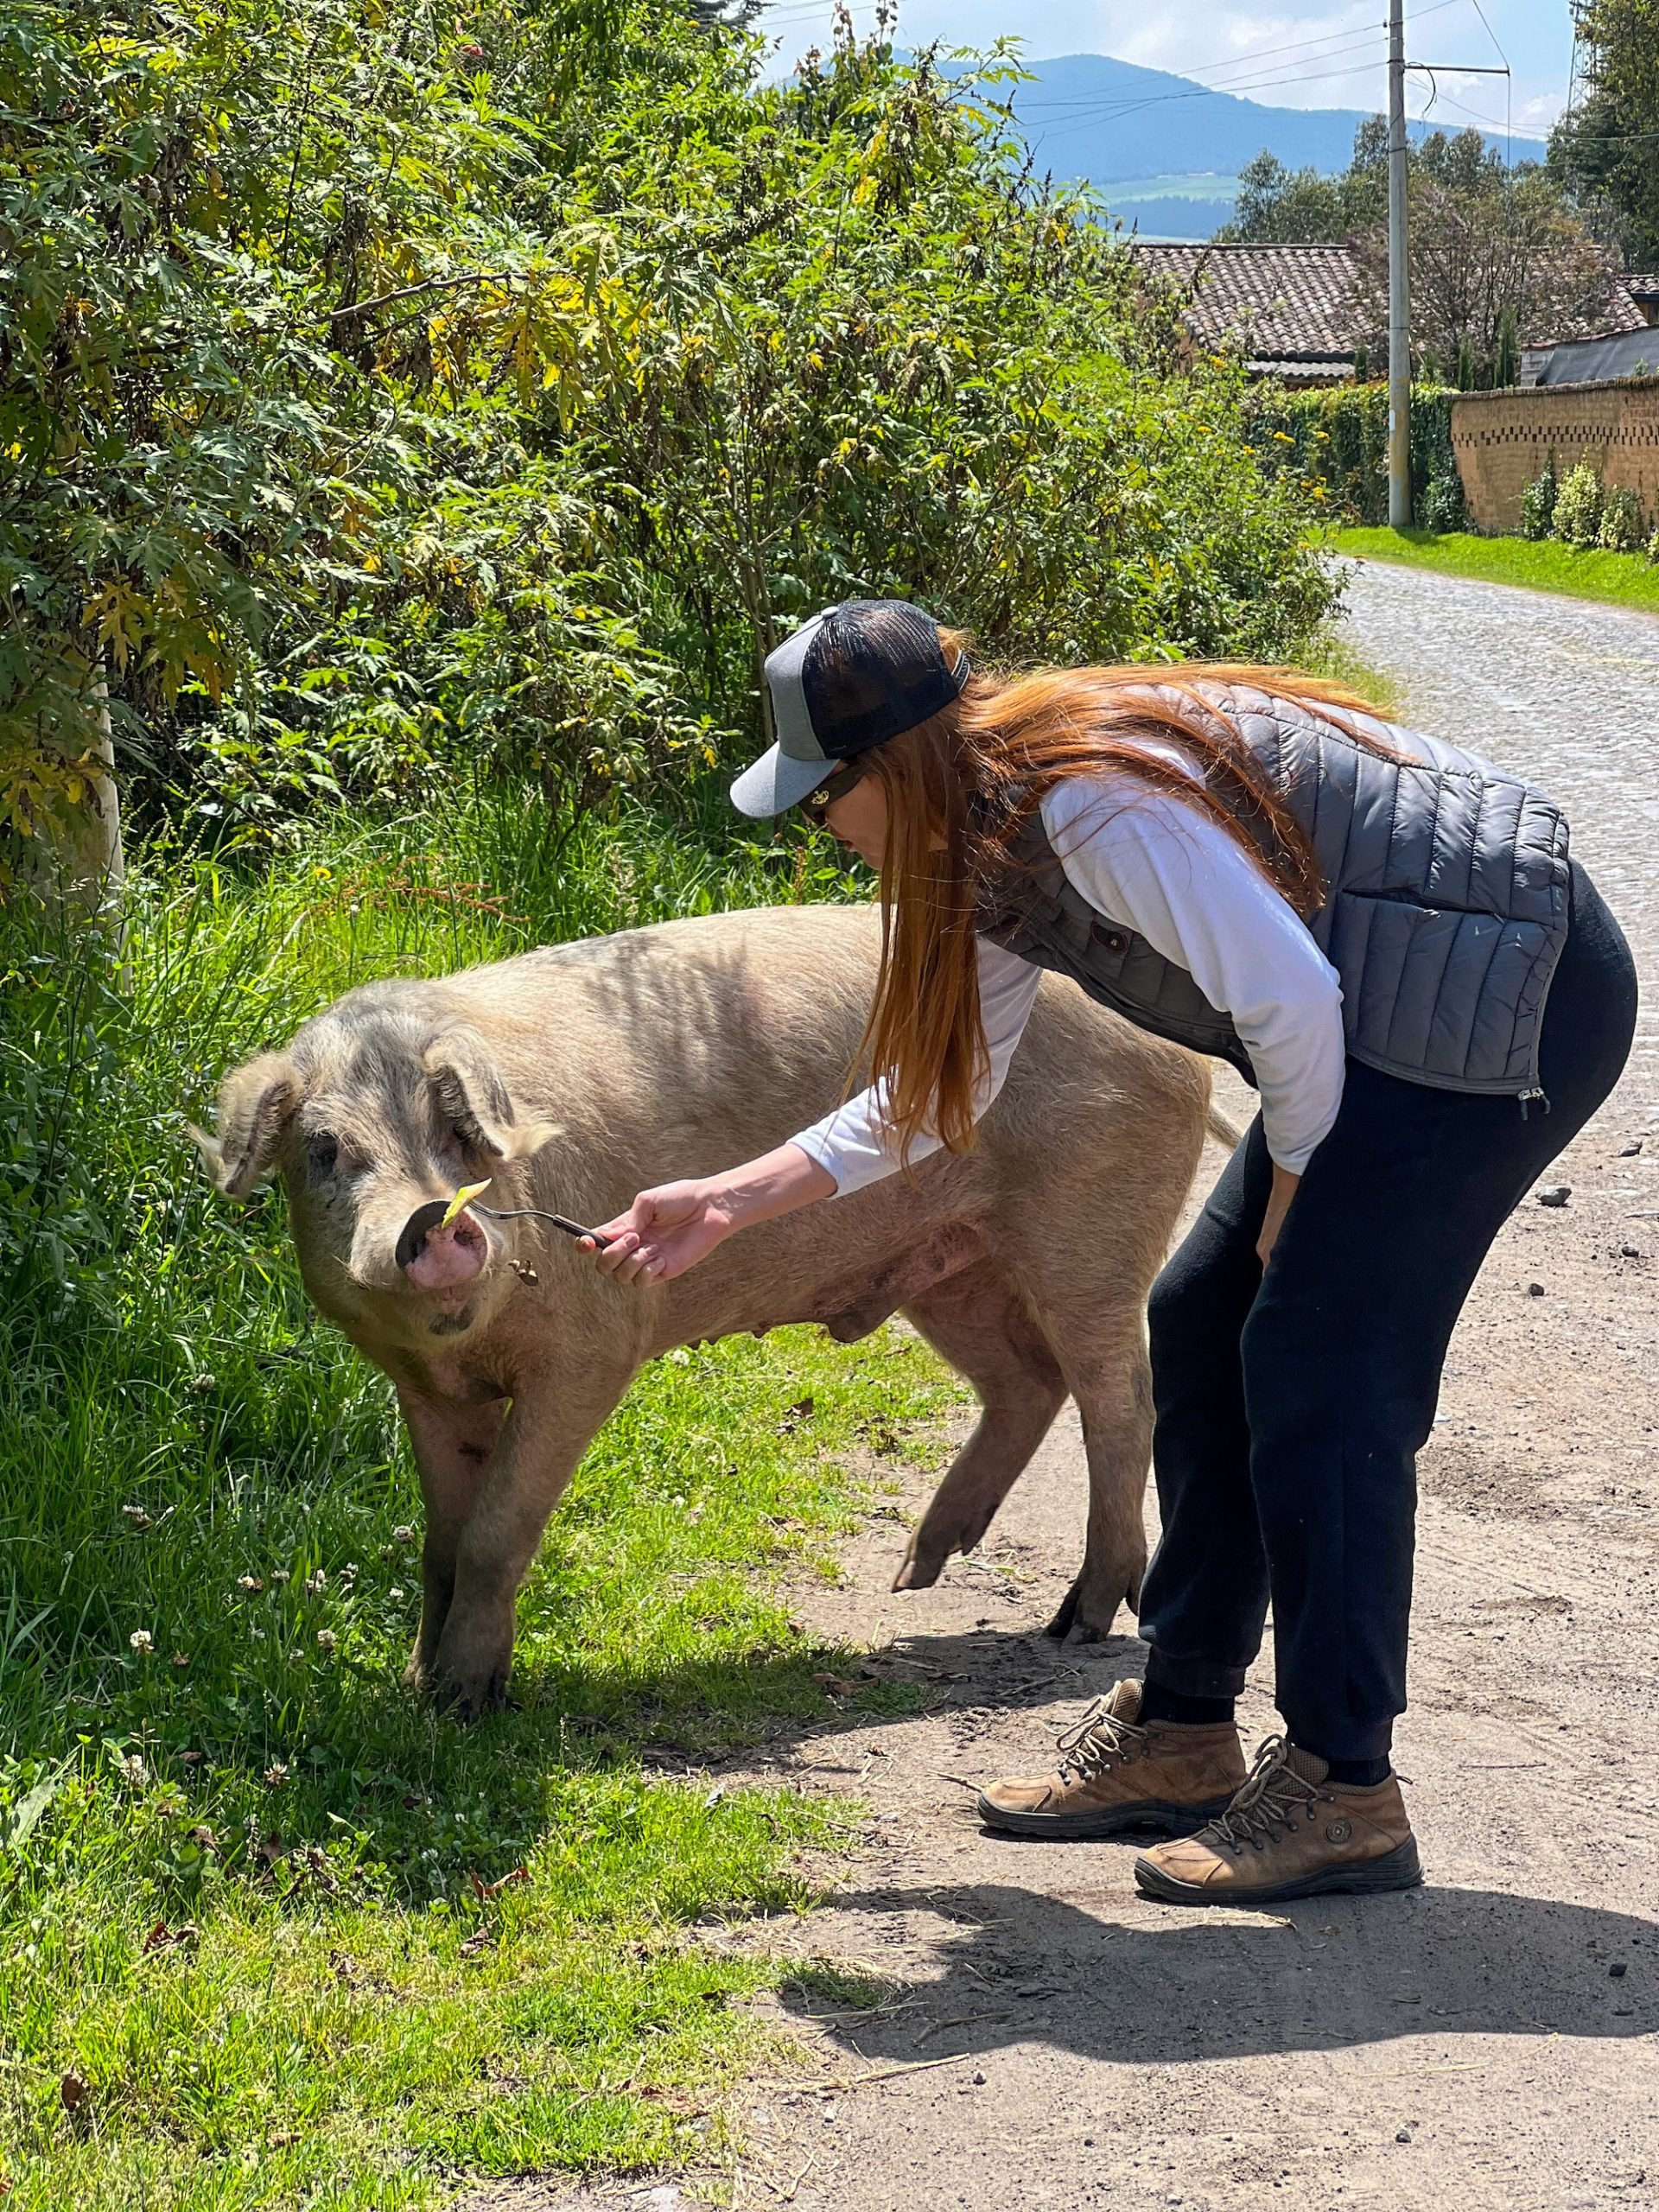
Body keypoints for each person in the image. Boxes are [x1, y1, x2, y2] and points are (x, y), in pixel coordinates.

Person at [581, 599, 1636, 1906]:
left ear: (887, 772)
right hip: (1386, 1000)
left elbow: (1293, 1001)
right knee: (1200, 1318)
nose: (824, 832)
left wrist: (1294, 1193)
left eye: (820, 801)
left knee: (1318, 1364)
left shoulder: (1089, 813)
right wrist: (731, 1201)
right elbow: (933, 1096)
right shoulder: (992, 835)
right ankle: (1186, 1731)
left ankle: (1347, 1789)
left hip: (1502, 996)